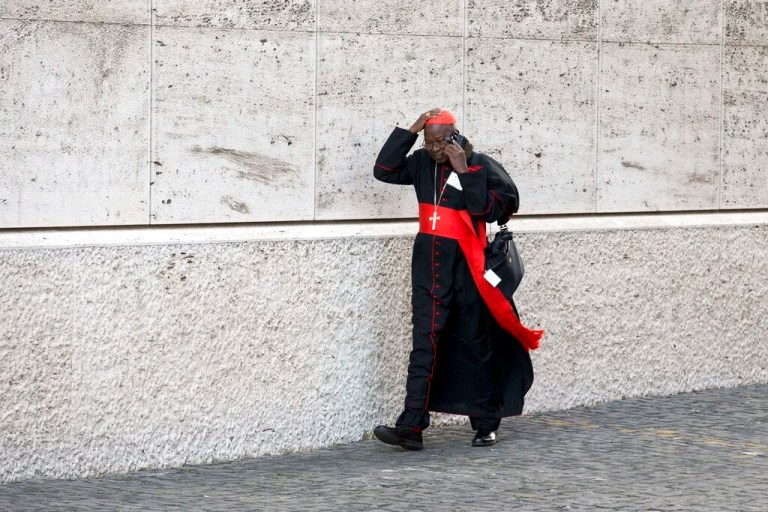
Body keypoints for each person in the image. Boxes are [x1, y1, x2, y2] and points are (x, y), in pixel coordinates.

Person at [372, 108, 543, 449]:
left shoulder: (480, 163)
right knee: (425, 344)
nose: (433, 149)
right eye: (428, 141)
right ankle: (412, 426)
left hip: (468, 268)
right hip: (428, 268)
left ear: (454, 137)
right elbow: (384, 170)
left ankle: (485, 424)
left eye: (439, 142)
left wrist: (464, 170)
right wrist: (411, 130)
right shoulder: (421, 162)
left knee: (475, 343)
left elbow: (487, 211)